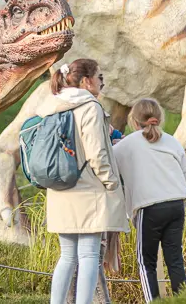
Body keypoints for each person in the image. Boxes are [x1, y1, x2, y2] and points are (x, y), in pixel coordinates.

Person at [39, 58, 128, 304]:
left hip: (59, 188)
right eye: (100, 77)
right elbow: (97, 152)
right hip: (88, 189)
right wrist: (111, 183)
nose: (103, 82)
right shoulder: (90, 107)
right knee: (89, 255)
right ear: (86, 81)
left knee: (67, 256)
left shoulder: (53, 105)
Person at [113, 98, 186, 300]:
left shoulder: (127, 144)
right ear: (160, 117)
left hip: (149, 207)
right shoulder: (172, 140)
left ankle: (153, 301)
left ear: (134, 120)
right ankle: (183, 299)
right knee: (174, 259)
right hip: (176, 203)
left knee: (145, 261)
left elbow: (107, 163)